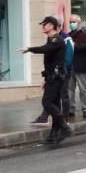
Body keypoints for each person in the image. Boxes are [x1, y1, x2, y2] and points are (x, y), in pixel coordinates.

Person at [20, 16, 71, 144]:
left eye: (45, 24)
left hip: (56, 77)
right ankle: (53, 135)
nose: (43, 26)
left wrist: (29, 49)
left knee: (47, 103)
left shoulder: (57, 39)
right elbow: (50, 62)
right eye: (42, 24)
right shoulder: (50, 39)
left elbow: (45, 50)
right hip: (52, 76)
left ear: (52, 25)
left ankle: (64, 127)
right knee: (54, 105)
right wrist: (45, 78)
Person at [67, 14, 86, 119]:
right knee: (70, 89)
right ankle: (71, 109)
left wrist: (75, 46)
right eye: (70, 22)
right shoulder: (69, 35)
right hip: (71, 65)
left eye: (73, 22)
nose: (71, 24)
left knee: (83, 89)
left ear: (79, 23)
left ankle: (85, 109)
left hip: (81, 65)